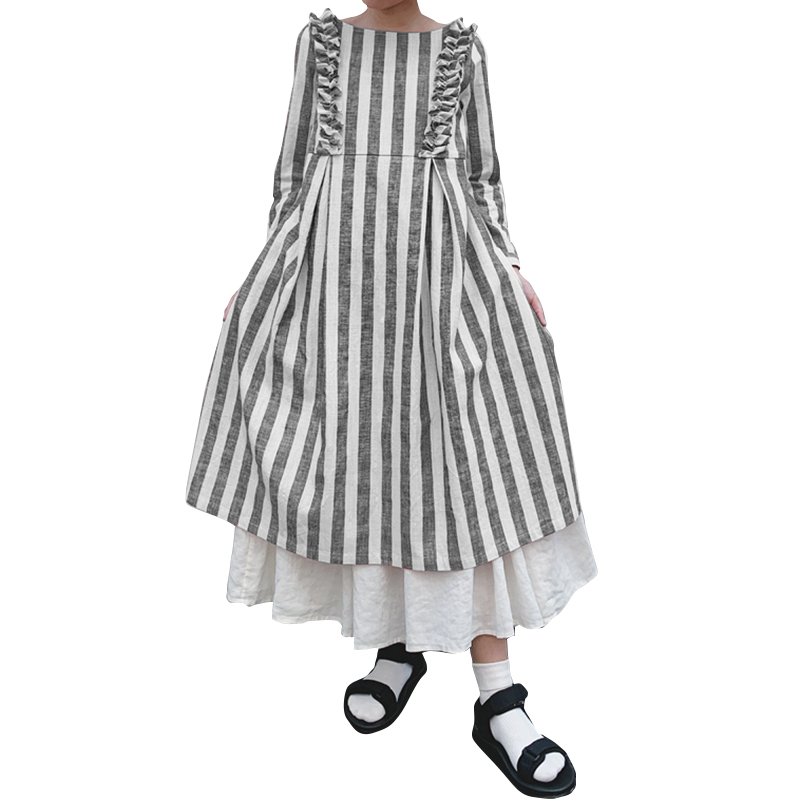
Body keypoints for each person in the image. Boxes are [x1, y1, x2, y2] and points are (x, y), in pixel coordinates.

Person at [186, 2, 598, 796]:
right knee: (366, 467)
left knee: (462, 470)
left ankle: (498, 695)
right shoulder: (321, 44)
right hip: (337, 292)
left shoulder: (459, 52)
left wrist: (510, 267)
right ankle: (396, 646)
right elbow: (293, 172)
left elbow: (481, 177)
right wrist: (265, 269)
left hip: (440, 285)